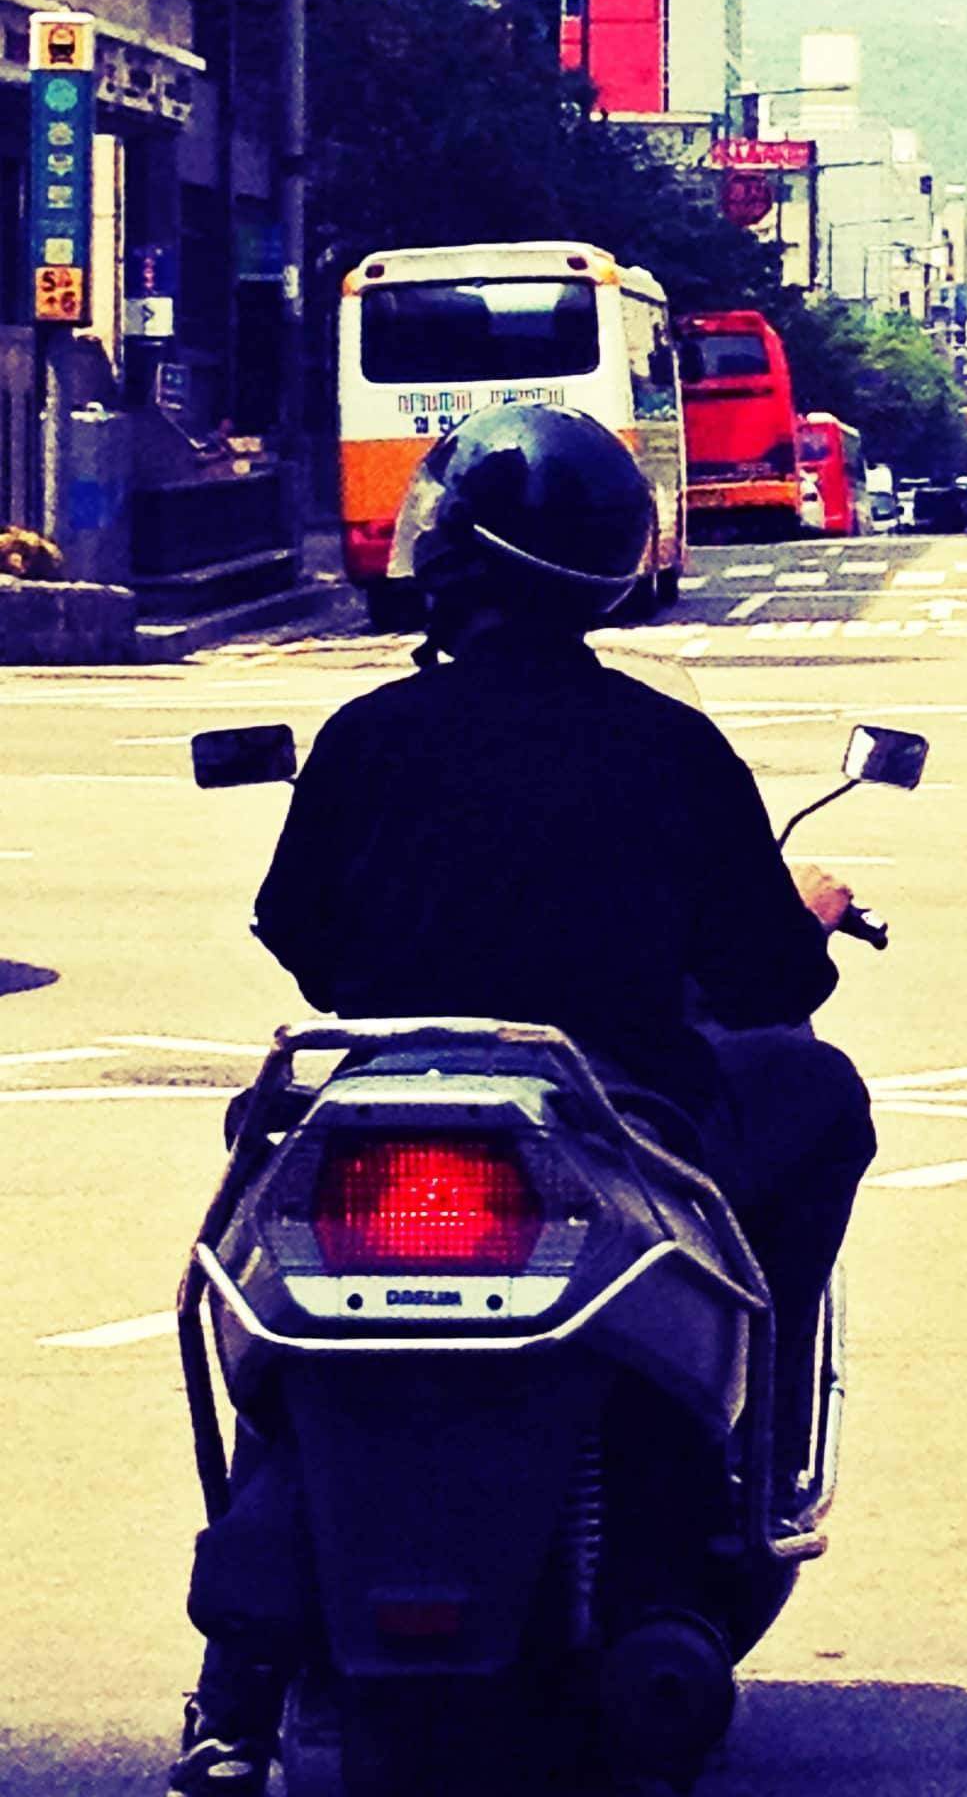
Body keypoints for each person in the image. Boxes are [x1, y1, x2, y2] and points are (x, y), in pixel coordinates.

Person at [168, 403, 875, 1793]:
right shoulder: (669, 747)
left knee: (271, 1234)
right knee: (817, 1098)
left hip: (379, 1105)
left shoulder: (372, 736)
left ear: (450, 556)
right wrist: (807, 909)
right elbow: (769, 980)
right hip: (615, 1124)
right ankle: (749, 1444)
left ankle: (237, 1675)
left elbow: (299, 933)